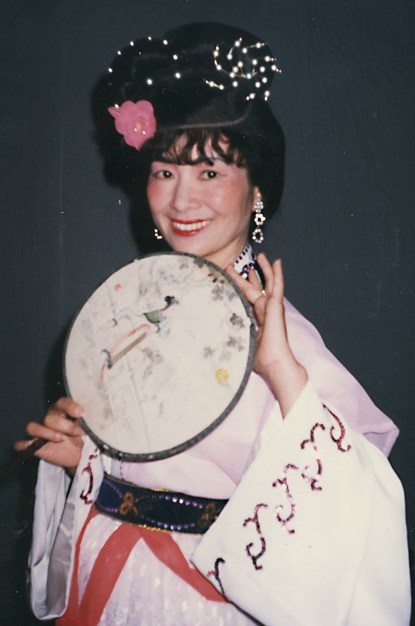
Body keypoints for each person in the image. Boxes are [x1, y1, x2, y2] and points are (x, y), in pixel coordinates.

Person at [15, 22, 410, 626]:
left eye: (209, 173)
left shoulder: (284, 339)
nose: (180, 201)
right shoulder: (136, 309)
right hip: (112, 580)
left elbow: (352, 506)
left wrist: (279, 369)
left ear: (256, 191)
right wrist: (88, 458)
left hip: (200, 598)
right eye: (164, 172)